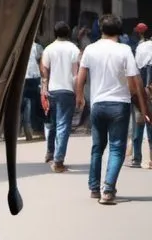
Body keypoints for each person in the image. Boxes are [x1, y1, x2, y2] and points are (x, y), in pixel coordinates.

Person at [75, 14, 151, 205]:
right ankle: (108, 190)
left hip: (98, 104)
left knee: (97, 148)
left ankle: (94, 187)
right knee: (117, 148)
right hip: (119, 105)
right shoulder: (124, 50)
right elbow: (135, 81)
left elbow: (80, 76)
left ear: (100, 29)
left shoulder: (90, 49)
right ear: (119, 31)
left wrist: (79, 98)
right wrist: (144, 109)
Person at [40, 22, 80, 172]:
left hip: (52, 90)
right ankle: (58, 161)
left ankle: (50, 152)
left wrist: (44, 88)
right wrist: (78, 93)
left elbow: (44, 70)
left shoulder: (49, 48)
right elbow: (76, 74)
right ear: (68, 33)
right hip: (67, 90)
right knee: (63, 125)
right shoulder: (73, 49)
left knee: (53, 123)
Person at [131, 24, 152, 168]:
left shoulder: (140, 47)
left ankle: (136, 158)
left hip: (141, 91)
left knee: (138, 123)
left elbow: (136, 68)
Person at [21, 36, 44, 141]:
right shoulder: (37, 47)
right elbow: (42, 64)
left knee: (26, 103)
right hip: (34, 78)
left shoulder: (19, 46)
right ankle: (39, 129)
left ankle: (27, 131)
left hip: (22, 79)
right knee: (38, 103)